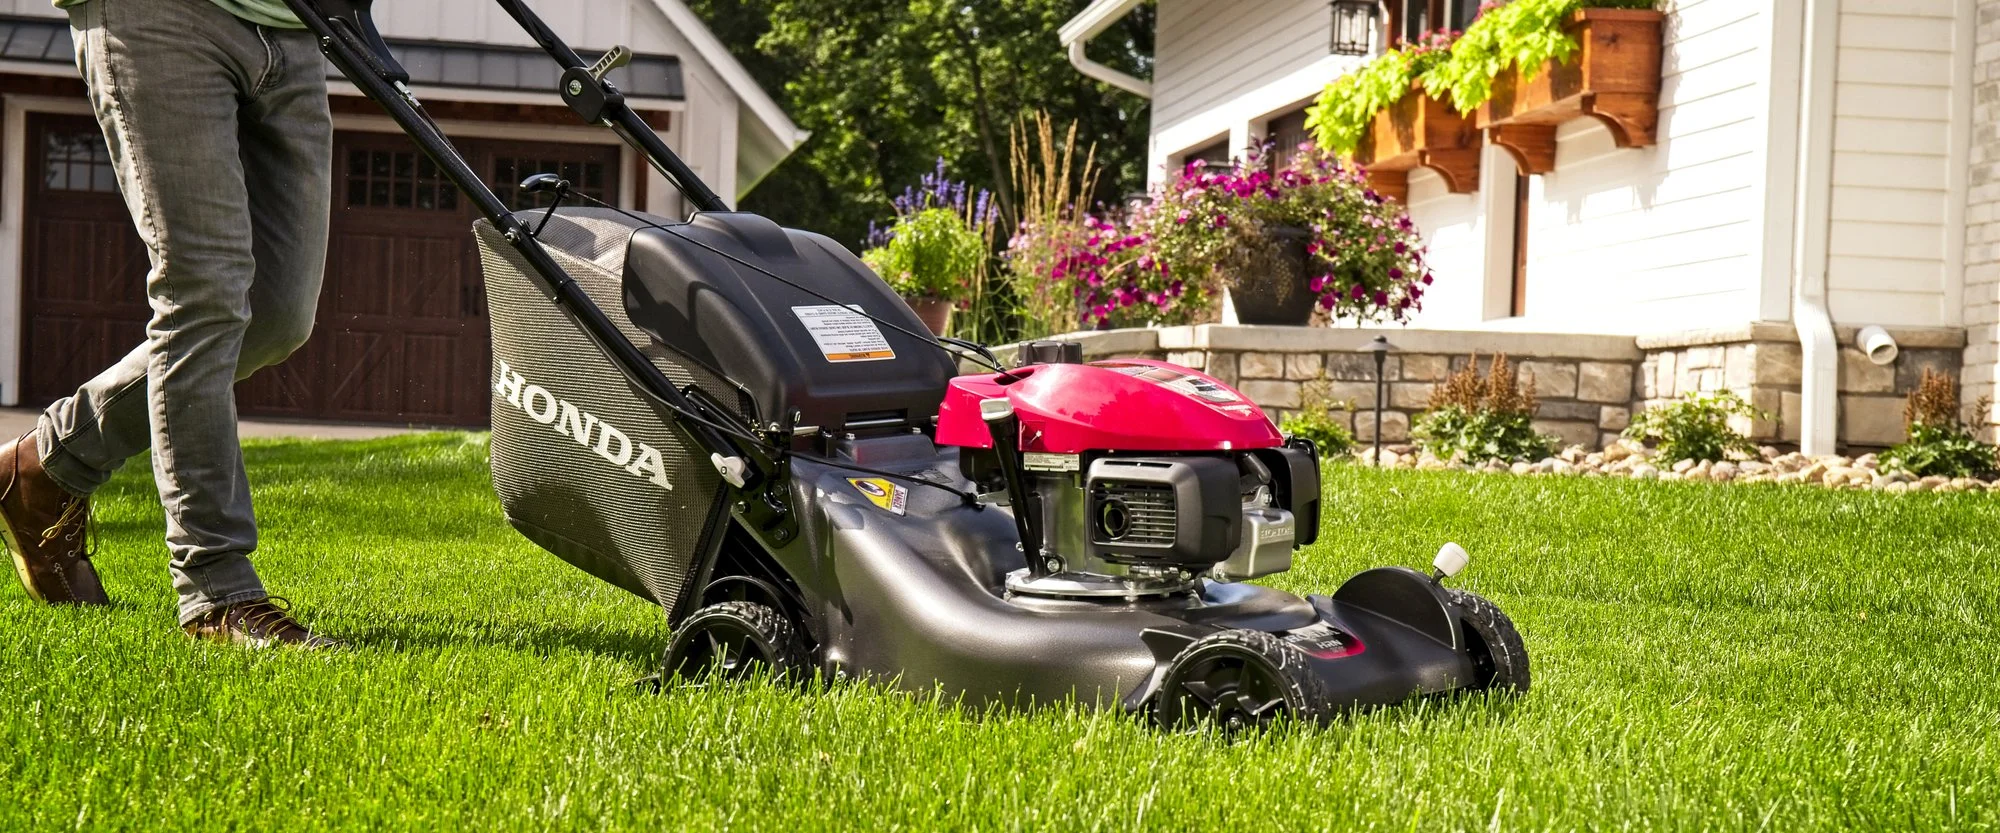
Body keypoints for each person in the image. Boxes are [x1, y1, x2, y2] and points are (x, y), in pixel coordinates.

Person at [0, 0, 337, 647]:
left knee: (276, 315)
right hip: (157, 12)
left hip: (295, 28)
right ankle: (216, 590)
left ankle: (48, 465)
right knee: (203, 292)